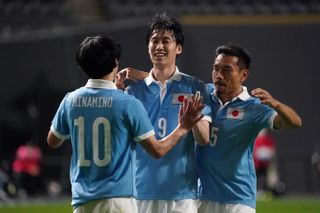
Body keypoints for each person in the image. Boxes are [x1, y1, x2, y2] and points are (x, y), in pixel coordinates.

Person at [46, 35, 204, 213]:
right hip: (118, 200)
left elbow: (53, 141)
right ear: (115, 63)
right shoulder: (127, 103)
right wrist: (183, 127)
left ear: (82, 65)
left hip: (82, 201)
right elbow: (157, 150)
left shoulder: (71, 100)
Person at [116, 13, 211, 213]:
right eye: (154, 40)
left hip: (182, 195)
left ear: (178, 48)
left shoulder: (194, 87)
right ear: (148, 47)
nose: (159, 46)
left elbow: (203, 140)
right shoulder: (133, 91)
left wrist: (192, 121)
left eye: (166, 41)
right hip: (141, 192)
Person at [196, 43, 302, 213]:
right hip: (203, 197)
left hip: (238, 199)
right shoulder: (204, 93)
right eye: (216, 69)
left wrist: (276, 104)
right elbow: (166, 81)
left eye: (227, 70)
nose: (218, 75)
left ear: (243, 75)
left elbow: (295, 122)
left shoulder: (254, 107)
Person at [253, 128, 276, 195]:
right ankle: (256, 191)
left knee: (264, 177)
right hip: (256, 164)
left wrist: (267, 153)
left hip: (265, 164)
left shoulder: (268, 140)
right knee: (256, 177)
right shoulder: (255, 140)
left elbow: (272, 151)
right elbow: (254, 151)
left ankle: (263, 190)